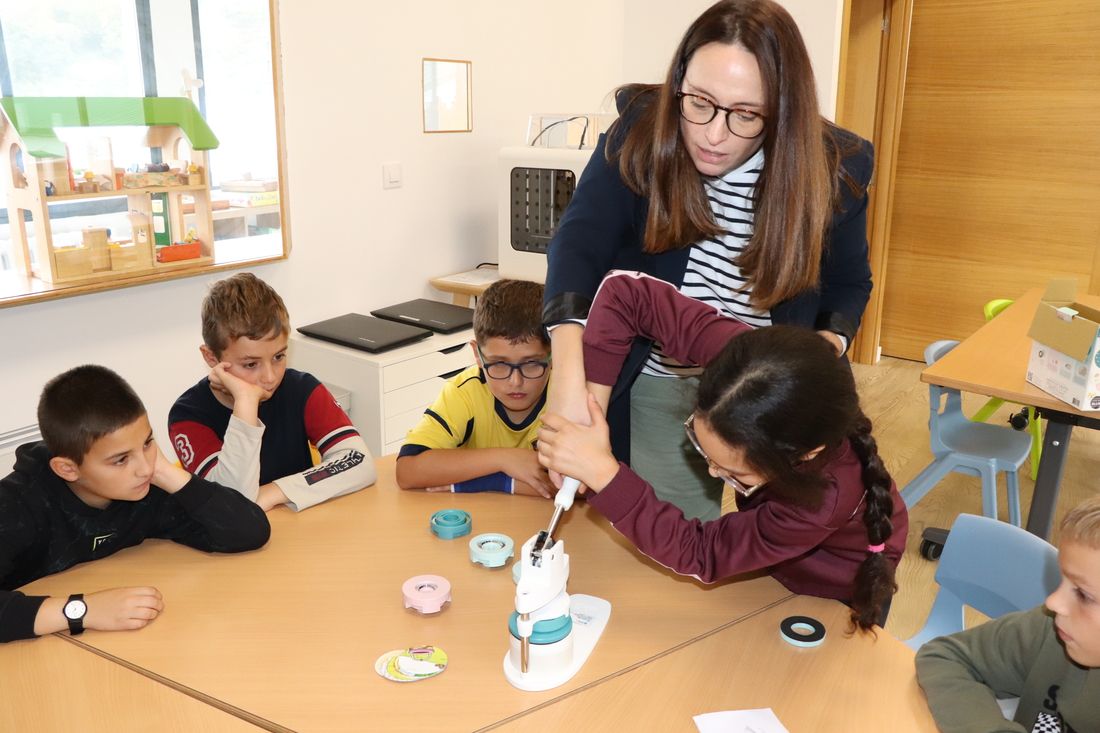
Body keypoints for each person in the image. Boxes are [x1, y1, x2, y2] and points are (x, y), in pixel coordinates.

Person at [543, 0, 874, 521]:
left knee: (778, 542)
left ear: (783, 109)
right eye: (698, 102)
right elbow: (578, 245)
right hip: (662, 377)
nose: (714, 135)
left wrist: (816, 352)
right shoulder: (639, 127)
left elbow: (849, 284)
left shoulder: (838, 165)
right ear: (678, 82)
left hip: (761, 389)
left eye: (745, 114)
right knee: (669, 528)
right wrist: (568, 383)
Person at [537, 272, 905, 629]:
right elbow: (625, 294)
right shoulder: (745, 369)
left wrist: (605, 475)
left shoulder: (822, 501)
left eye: (735, 473)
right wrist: (589, 412)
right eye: (702, 445)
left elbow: (702, 552)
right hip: (775, 550)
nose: (712, 473)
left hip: (833, 585)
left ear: (802, 456)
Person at [0, 365, 270, 644]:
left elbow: (250, 532)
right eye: (120, 459)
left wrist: (167, 473)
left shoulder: (144, 488)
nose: (144, 467)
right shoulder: (18, 505)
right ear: (68, 469)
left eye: (147, 443)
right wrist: (83, 611)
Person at [169, 273, 376, 512]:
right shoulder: (187, 415)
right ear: (211, 358)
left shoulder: (302, 389)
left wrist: (274, 492)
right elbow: (231, 505)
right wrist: (245, 402)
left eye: (278, 357)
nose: (270, 377)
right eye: (250, 364)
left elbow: (359, 462)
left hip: (301, 528)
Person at [915, 497, 1100, 732]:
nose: (1053, 602)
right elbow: (946, 656)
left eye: (1083, 595)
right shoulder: (1052, 631)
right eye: (1061, 578)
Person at [396, 279, 553, 497]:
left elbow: (587, 484)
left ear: (555, 353)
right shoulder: (465, 392)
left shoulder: (567, 393)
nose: (515, 381)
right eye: (498, 364)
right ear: (477, 355)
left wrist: (494, 480)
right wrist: (505, 459)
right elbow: (408, 470)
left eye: (531, 363)